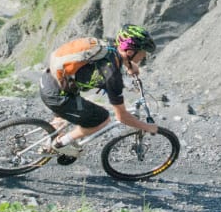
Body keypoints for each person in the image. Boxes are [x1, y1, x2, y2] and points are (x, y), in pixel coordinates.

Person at [39, 24, 158, 159]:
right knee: (102, 119)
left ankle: (48, 138)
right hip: (57, 95)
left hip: (50, 79)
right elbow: (122, 117)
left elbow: (117, 57)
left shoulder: (109, 48)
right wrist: (147, 127)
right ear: (131, 52)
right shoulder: (113, 77)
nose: (144, 56)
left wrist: (130, 65)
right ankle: (60, 144)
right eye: (143, 52)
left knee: (68, 115)